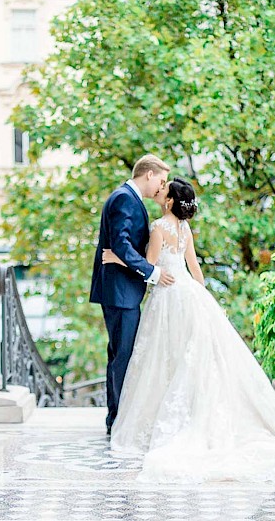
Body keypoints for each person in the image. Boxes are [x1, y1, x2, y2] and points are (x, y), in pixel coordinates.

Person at [104, 178, 275, 483]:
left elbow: (150, 266)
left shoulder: (159, 228)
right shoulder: (185, 230)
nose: (160, 193)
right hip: (188, 294)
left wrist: (116, 258)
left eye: (165, 191)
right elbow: (195, 269)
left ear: (171, 202)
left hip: (166, 298)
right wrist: (204, 300)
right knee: (188, 360)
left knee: (163, 359)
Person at [90, 154, 174, 437]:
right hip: (120, 292)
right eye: (160, 181)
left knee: (120, 355)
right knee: (122, 356)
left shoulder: (127, 198)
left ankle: (117, 418)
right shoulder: (125, 198)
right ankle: (118, 422)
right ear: (148, 174)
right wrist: (152, 272)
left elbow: (123, 249)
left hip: (122, 290)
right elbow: (122, 244)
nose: (161, 188)